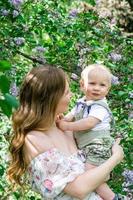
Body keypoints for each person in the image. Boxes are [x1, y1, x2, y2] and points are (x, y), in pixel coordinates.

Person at [7, 65, 124, 200]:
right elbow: (79, 189)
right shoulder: (34, 139)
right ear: (51, 98)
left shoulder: (65, 129)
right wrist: (116, 157)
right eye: (67, 92)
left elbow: (97, 172)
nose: (72, 95)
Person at [57, 64, 121, 200]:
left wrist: (66, 126)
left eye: (102, 85)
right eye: (92, 83)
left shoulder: (100, 106)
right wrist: (63, 119)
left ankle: (113, 198)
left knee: (90, 175)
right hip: (87, 146)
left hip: (98, 145)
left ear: (108, 89)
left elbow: (89, 123)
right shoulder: (82, 103)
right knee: (89, 175)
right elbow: (70, 116)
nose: (97, 88)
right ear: (82, 85)